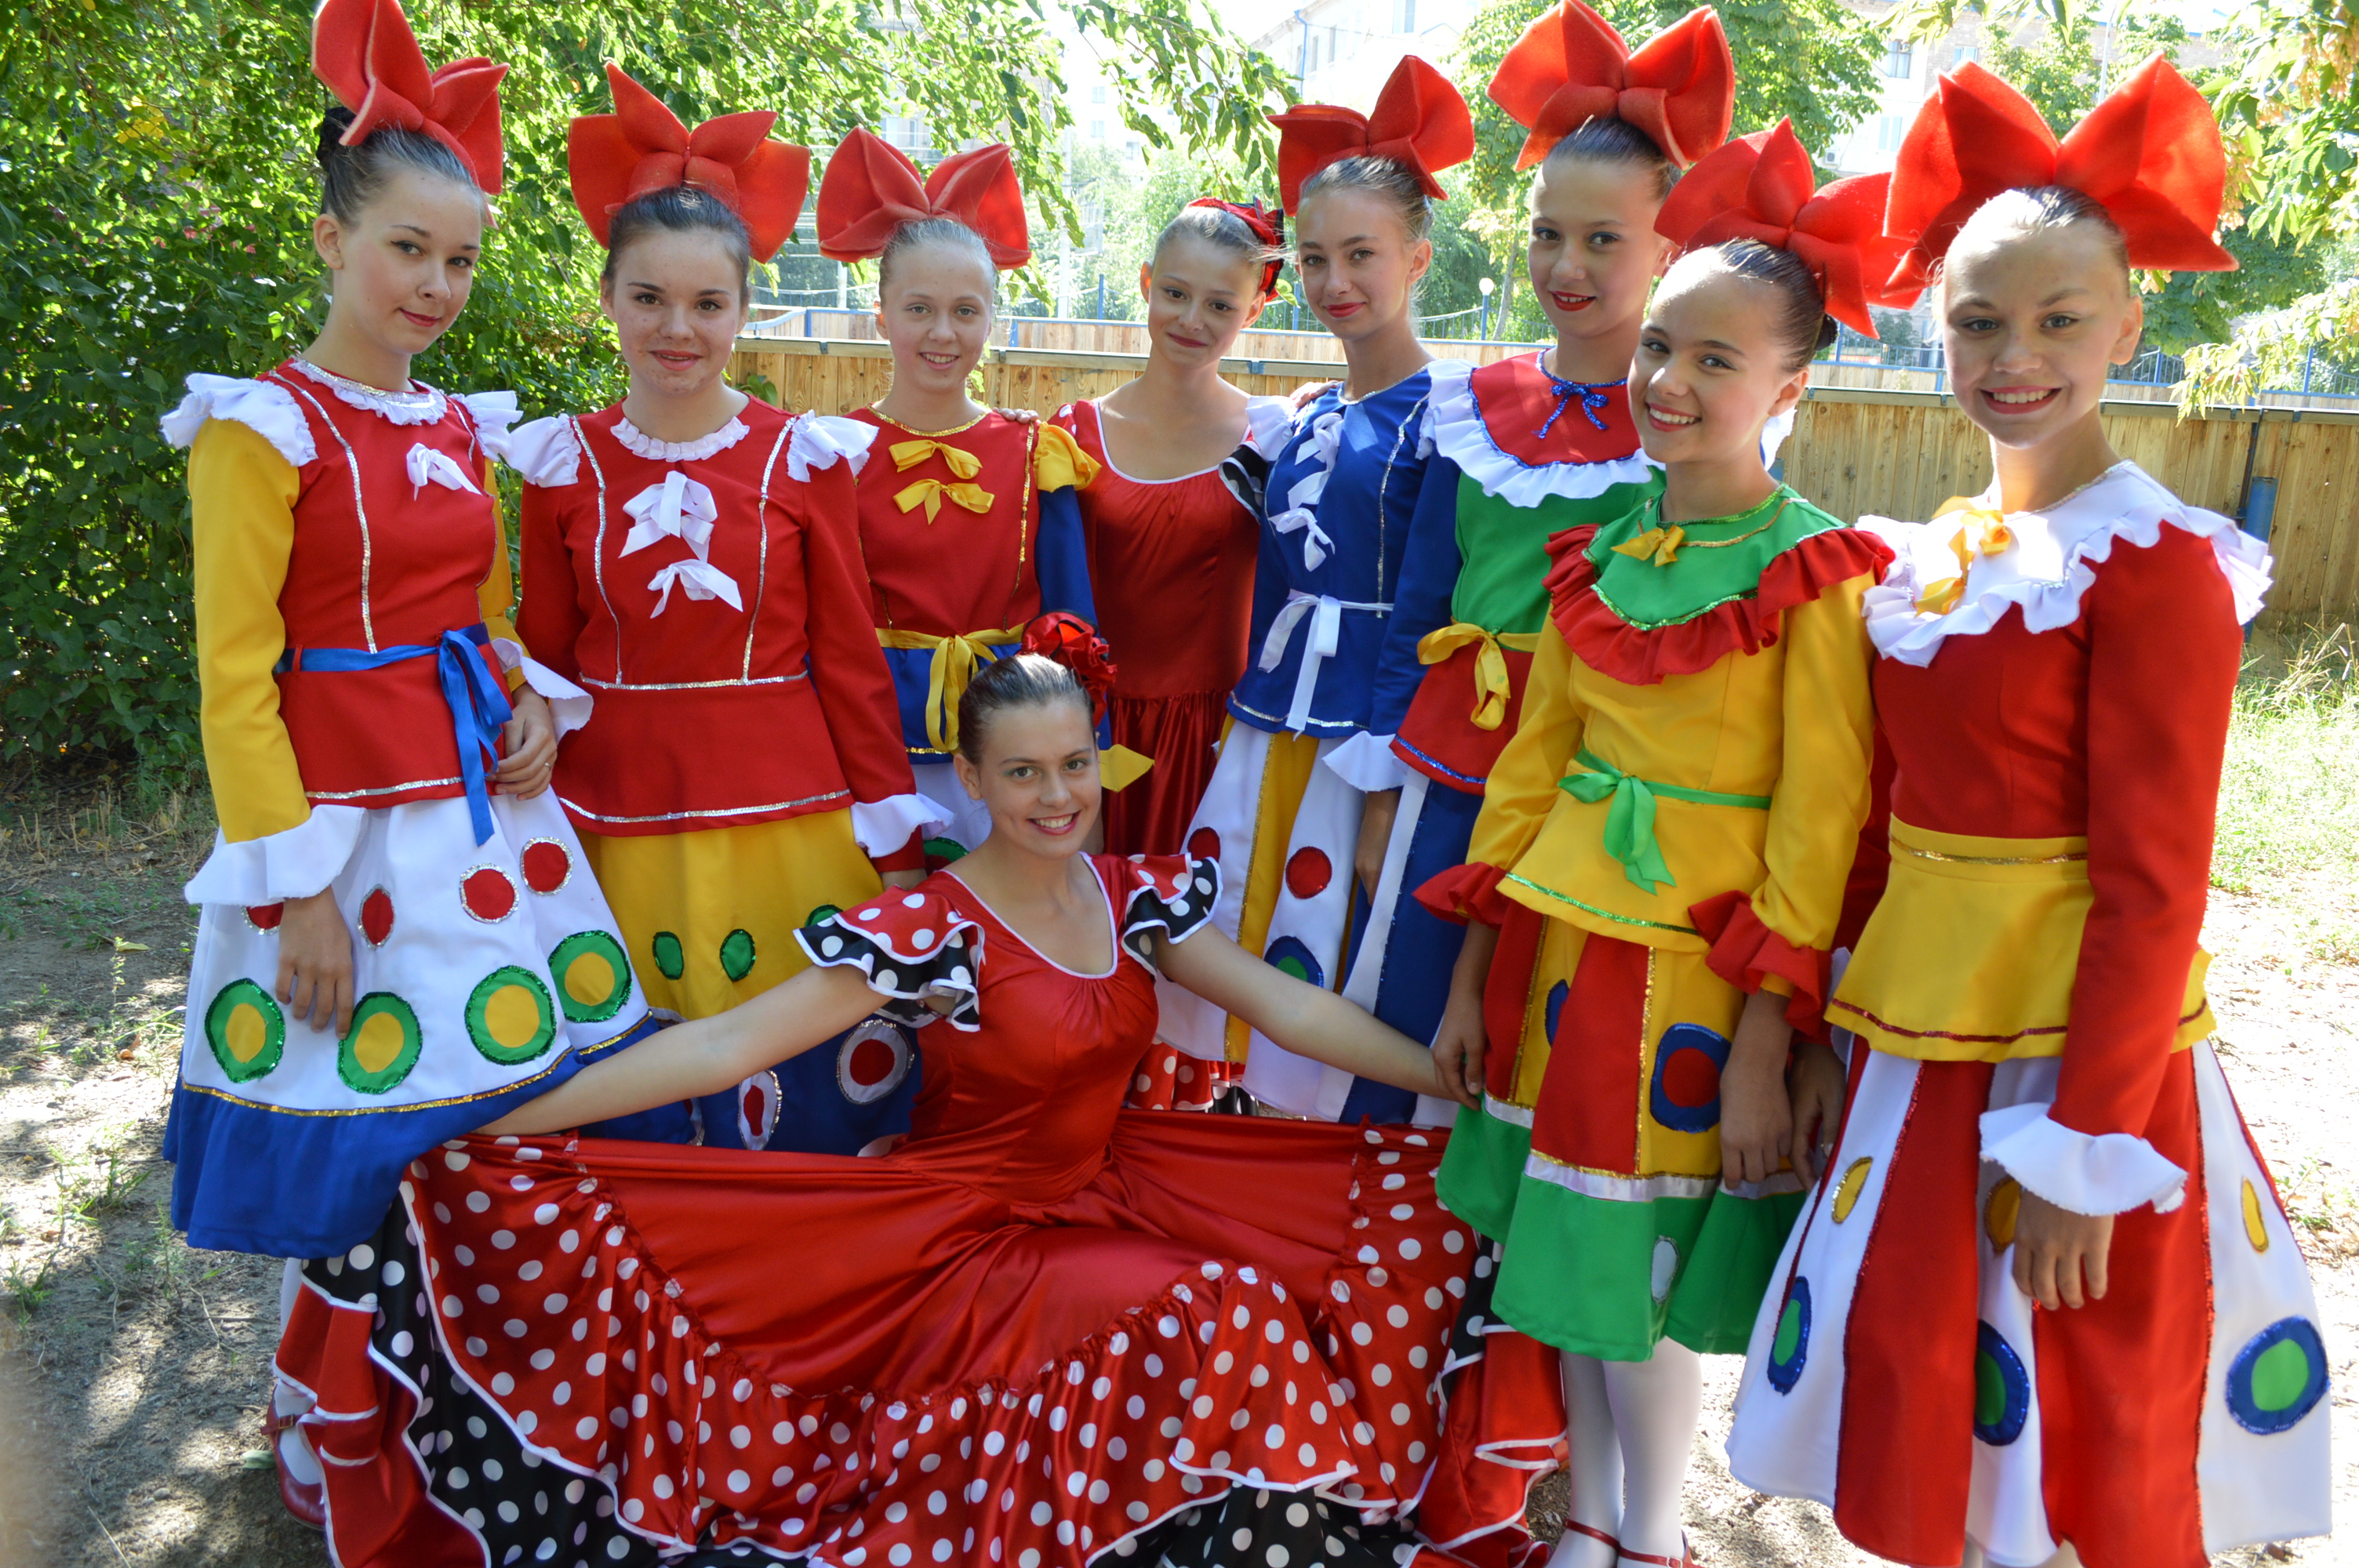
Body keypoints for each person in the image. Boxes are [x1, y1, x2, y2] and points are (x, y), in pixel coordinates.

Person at [271, 634, 1513, 1568]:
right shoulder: (930, 926)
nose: (1056, 798)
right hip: (972, 1242)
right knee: (1216, 1307)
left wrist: (1454, 1080)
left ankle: (1219, 1529)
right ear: (969, 777)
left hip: (1114, 1193)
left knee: (1366, 1234)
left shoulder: (1132, 895)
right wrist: (493, 1121)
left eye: (1075, 765)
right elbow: (728, 1047)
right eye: (1021, 773)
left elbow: (1289, 1009)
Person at [1724, 60, 2329, 1568]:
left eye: (2060, 320)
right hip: (1913, 1052)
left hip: (2069, 1070)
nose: (2014, 356)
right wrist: (1816, 1032)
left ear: (2128, 326)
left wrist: (2082, 1152)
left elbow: (2153, 887)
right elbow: (1874, 831)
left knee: (2069, 1428)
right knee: (1927, 1401)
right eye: (1978, 321)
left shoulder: (2157, 566)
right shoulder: (1926, 565)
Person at [158, 0, 651, 1526]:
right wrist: (298, 891)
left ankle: (462, 1411)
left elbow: (479, 617)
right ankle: (334, 1416)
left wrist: (528, 705)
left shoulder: (453, 426)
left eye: (460, 260)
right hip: (341, 844)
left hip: (480, 826)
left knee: (477, 1124)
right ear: (331, 240)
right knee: (359, 1142)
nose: (436, 285)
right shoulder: (259, 431)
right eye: (407, 251)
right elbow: (234, 685)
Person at [1420, 122, 1910, 1568]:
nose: (1669, 381)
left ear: (1790, 386)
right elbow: (1528, 775)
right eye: (1659, 348)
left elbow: (1819, 822)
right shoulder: (1601, 552)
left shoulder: (1811, 571)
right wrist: (1470, 979)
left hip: (1695, 973)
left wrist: (1767, 1039)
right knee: (1565, 1257)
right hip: (1561, 957)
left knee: (1634, 1267)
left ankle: (1649, 1536)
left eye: (1715, 359)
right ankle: (1591, 1524)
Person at [507, 66, 932, 1156]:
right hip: (613, 824)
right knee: (632, 1092)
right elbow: (546, 659)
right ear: (609, 298)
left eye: (708, 304)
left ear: (744, 310)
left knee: (797, 1092)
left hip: (787, 821)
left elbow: (849, 660)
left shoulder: (803, 457)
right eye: (648, 297)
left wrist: (896, 847)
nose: (677, 328)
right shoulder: (561, 465)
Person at [1157, 55, 1475, 1127]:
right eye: (1314, 257)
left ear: (1416, 259)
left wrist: (1388, 785)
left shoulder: (1453, 418)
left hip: (1362, 748)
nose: (1336, 280)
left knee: (1335, 942)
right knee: (1238, 941)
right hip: (1268, 729)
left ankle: (1331, 1159)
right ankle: (1246, 1141)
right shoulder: (1300, 416)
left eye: (1361, 255)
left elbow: (1429, 608)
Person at [815, 129, 1133, 859]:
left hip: (1013, 759)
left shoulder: (1036, 451)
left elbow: (1074, 629)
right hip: (872, 756)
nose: (943, 331)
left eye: (966, 310)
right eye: (918, 308)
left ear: (992, 319)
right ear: (881, 315)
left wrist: (1088, 778)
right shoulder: (834, 455)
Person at [1051, 199, 1292, 862]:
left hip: (1219, 741)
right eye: (1176, 294)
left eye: (1219, 305)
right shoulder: (1072, 434)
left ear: (1253, 311)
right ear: (1146, 282)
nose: (1191, 320)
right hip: (1089, 732)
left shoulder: (1274, 439)